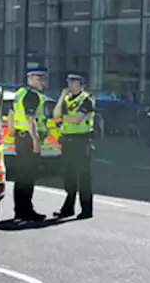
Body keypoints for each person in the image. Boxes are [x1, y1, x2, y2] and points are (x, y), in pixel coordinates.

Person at [53, 72, 96, 219]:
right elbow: (55, 114)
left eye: (73, 82)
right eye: (69, 82)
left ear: (81, 85)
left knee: (84, 177)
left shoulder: (87, 99)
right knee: (69, 176)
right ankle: (68, 209)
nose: (70, 85)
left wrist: (62, 118)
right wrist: (60, 98)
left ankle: (86, 210)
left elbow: (77, 119)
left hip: (82, 142)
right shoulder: (66, 99)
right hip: (67, 141)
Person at [10, 67, 49, 222]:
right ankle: (25, 212)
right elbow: (30, 119)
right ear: (30, 79)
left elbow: (12, 112)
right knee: (27, 178)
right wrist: (35, 141)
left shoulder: (20, 92)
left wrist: (12, 130)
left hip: (21, 138)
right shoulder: (32, 95)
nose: (42, 82)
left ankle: (21, 211)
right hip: (28, 139)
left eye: (43, 79)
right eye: (39, 78)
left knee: (22, 177)